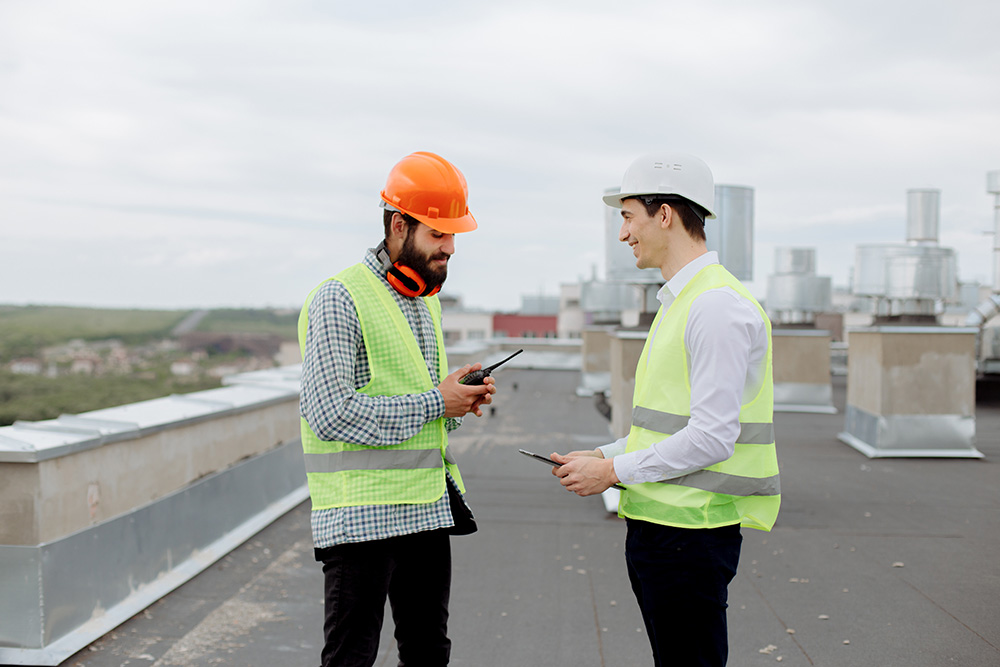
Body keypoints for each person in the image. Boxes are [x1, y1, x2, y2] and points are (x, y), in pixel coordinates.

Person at [551, 153, 780, 666]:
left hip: (689, 538)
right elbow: (668, 426)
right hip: (667, 533)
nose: (623, 233)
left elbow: (712, 438)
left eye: (628, 216)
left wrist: (611, 470)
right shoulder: (686, 301)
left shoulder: (714, 307)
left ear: (665, 215)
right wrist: (602, 453)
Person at [298, 151, 496, 667]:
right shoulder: (338, 299)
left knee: (429, 652)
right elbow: (331, 412)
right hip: (360, 518)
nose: (450, 248)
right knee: (351, 657)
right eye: (438, 234)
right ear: (398, 224)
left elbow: (422, 404)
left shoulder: (425, 299)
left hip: (425, 509)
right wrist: (438, 400)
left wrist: (456, 400)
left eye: (454, 236)